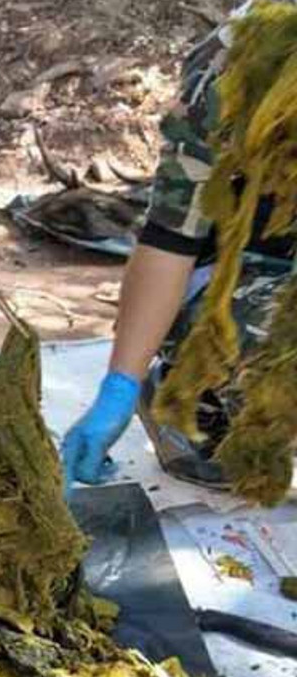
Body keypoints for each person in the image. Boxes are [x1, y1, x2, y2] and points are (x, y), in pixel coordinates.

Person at [61, 0, 296, 488]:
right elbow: (171, 239)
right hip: (251, 278)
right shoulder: (237, 64)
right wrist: (118, 387)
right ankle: (195, 399)